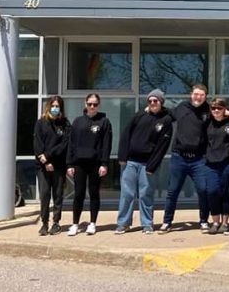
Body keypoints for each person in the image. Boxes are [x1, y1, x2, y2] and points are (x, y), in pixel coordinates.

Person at [115, 89, 174, 234]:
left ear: (161, 102)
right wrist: (122, 157)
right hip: (130, 162)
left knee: (145, 194)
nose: (153, 103)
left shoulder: (166, 121)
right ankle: (123, 223)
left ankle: (147, 224)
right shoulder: (139, 115)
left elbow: (162, 147)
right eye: (150, 101)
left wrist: (152, 166)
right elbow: (125, 135)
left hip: (147, 165)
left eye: (156, 101)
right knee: (127, 194)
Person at [160, 84, 211, 234]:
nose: (198, 97)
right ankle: (167, 222)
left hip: (198, 159)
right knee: (173, 191)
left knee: (203, 190)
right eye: (196, 94)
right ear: (191, 94)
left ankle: (204, 221)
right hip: (179, 158)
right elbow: (167, 115)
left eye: (201, 95)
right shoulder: (182, 107)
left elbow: (222, 113)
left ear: (205, 96)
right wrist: (151, 112)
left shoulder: (208, 110)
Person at [66, 93, 112, 236]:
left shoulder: (104, 122)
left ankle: (92, 223)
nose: (92, 107)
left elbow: (106, 145)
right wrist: (69, 164)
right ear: (85, 104)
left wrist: (104, 164)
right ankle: (75, 224)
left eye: (95, 104)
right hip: (79, 164)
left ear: (99, 105)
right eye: (90, 104)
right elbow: (71, 144)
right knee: (78, 194)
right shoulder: (77, 121)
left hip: (95, 164)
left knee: (94, 193)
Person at [33, 96, 71, 236]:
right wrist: (46, 161)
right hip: (43, 166)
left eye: (58, 106)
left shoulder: (65, 124)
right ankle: (44, 223)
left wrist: (48, 156)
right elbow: (37, 144)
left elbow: (64, 145)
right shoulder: (41, 123)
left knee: (58, 194)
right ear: (49, 106)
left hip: (58, 166)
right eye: (53, 105)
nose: (55, 108)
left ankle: (56, 222)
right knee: (44, 194)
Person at [204, 97, 229, 235]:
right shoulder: (207, 122)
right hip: (210, 163)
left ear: (225, 109)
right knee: (212, 192)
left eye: (219, 108)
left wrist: (227, 113)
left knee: (225, 193)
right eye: (213, 108)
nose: (216, 110)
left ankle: (225, 223)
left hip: (227, 162)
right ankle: (215, 221)